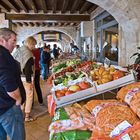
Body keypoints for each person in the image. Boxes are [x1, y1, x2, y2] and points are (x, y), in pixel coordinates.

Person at [0, 28, 25, 139]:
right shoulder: (3, 55)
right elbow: (8, 83)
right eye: (13, 41)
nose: (15, 45)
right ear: (2, 41)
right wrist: (18, 99)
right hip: (8, 107)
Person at [13, 36, 37, 122]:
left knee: (21, 95)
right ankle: (27, 116)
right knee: (29, 96)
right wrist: (29, 81)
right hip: (26, 78)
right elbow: (28, 69)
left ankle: (20, 113)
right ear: (30, 44)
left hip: (17, 77)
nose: (34, 47)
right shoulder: (28, 54)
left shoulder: (18, 51)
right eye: (33, 45)